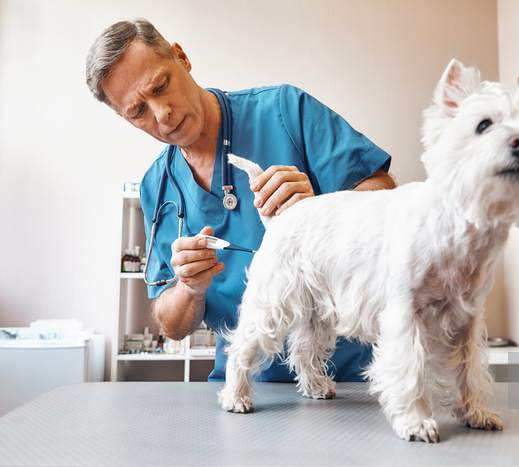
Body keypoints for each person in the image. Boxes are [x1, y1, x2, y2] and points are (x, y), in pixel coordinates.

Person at [86, 19, 396, 382]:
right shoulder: (157, 185)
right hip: (246, 383)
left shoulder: (285, 112)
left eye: (160, 85)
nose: (162, 113)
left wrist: (323, 212)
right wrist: (189, 288)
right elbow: (171, 325)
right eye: (138, 112)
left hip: (350, 375)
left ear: (181, 58)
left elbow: (385, 192)